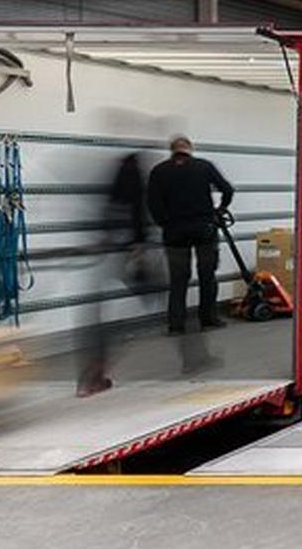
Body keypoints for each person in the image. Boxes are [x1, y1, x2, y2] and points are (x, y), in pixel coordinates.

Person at [146, 135, 233, 374]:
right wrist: (220, 210)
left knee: (178, 280)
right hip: (204, 230)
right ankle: (208, 319)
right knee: (207, 275)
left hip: (174, 234)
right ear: (190, 149)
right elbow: (228, 189)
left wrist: (165, 223)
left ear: (172, 150)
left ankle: (176, 325)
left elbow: (152, 203)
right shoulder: (203, 166)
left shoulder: (159, 171)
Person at [76, 150, 158, 396]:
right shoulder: (137, 181)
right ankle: (96, 371)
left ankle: (92, 373)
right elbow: (139, 216)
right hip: (127, 251)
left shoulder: (112, 186)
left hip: (108, 250)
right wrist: (140, 246)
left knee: (98, 312)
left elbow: (106, 215)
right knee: (142, 301)